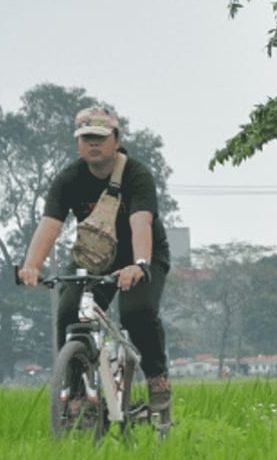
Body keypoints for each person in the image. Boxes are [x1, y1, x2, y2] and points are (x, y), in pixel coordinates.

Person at [18, 105, 174, 423]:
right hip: (95, 256)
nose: (93, 144)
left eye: (101, 137)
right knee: (68, 311)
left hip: (141, 255)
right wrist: (31, 265)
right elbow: (50, 225)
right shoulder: (69, 179)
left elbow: (141, 223)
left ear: (116, 140)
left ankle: (157, 378)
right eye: (86, 137)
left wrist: (140, 264)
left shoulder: (136, 174)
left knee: (136, 313)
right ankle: (75, 391)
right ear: (78, 143)